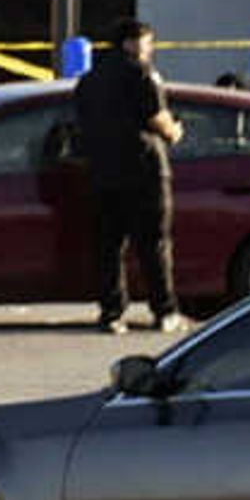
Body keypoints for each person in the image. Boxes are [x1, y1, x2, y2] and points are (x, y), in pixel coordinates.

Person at [74, 18, 183, 333]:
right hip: (144, 169)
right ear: (134, 43)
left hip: (104, 171)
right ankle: (165, 311)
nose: (150, 51)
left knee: (109, 246)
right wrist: (175, 132)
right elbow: (158, 118)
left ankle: (111, 312)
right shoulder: (141, 74)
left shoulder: (89, 80)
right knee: (154, 244)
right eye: (148, 44)